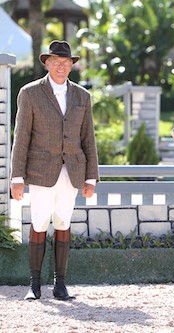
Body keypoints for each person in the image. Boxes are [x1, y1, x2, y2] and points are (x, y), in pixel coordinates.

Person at [10, 40, 99, 301]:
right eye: (55, 62)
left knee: (63, 222)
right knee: (39, 222)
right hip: (40, 172)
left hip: (72, 171)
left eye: (65, 62)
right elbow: (21, 137)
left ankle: (60, 285)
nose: (60, 66)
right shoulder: (29, 93)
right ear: (47, 63)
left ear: (71, 66)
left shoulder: (83, 96)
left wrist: (91, 177)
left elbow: (88, 138)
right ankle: (34, 284)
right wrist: (17, 178)